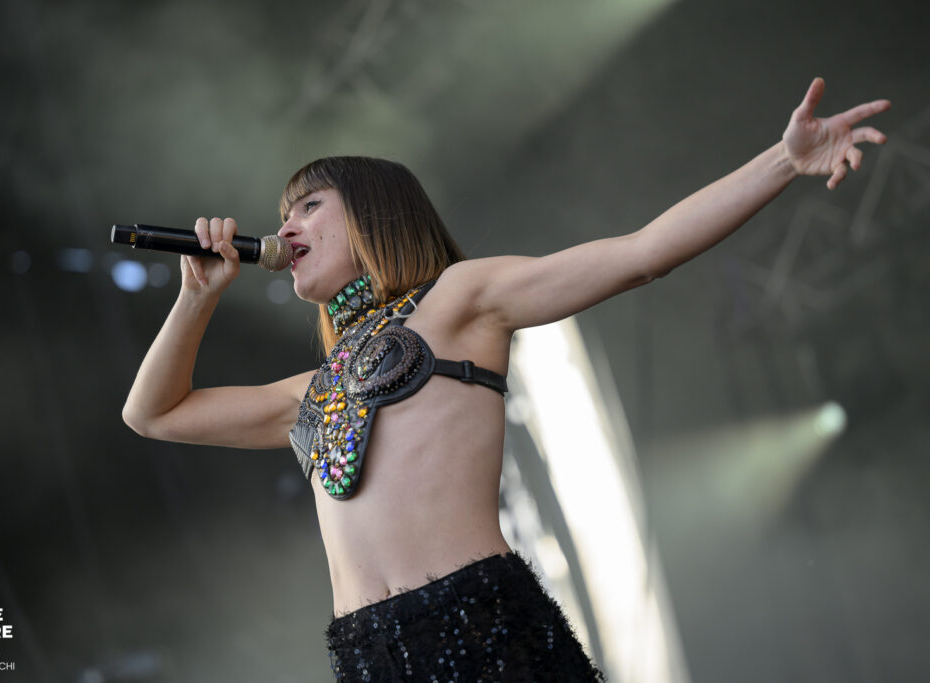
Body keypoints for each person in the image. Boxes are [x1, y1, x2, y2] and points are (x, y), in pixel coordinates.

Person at [121, 77, 889, 681]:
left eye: (309, 205)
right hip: (365, 656)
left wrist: (784, 160)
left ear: (375, 214)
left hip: (475, 623)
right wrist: (197, 297)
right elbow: (154, 414)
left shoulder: (459, 299)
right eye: (283, 213)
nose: (285, 227)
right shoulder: (312, 390)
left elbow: (643, 252)